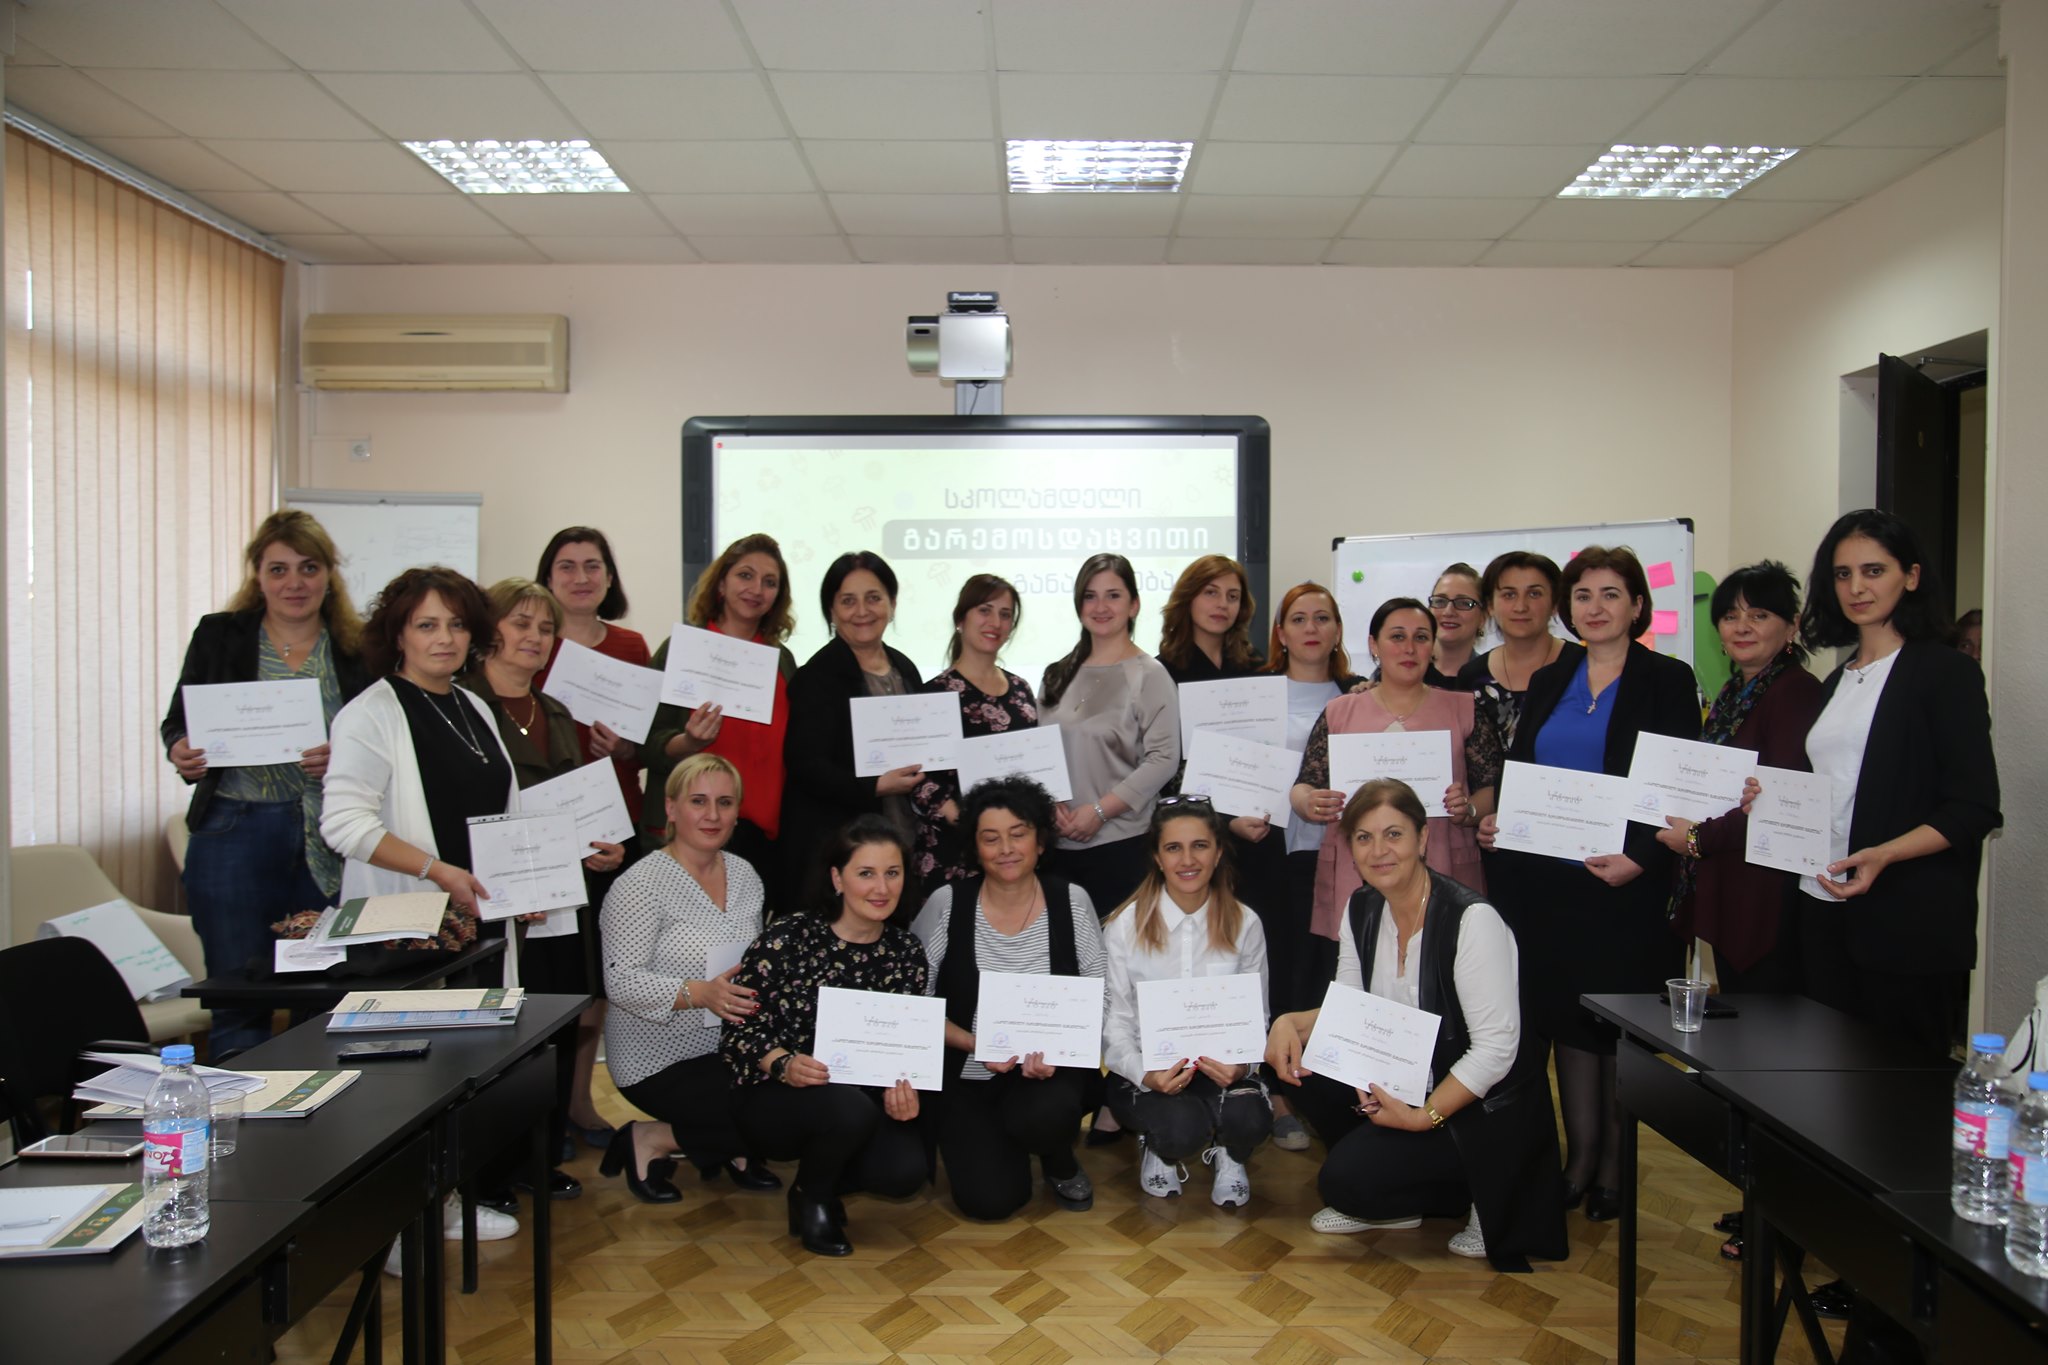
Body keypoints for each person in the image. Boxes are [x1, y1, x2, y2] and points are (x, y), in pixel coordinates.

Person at [1478, 546, 1700, 1223]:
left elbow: (1678, 785)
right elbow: (1523, 769)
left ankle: (1615, 1168)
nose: (1595, 607)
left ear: (1637, 606)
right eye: (1582, 595)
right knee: (1570, 1019)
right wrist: (1504, 821)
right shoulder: (1554, 676)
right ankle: (1580, 1160)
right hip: (1552, 883)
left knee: (1619, 1025)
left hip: (1627, 883)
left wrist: (1643, 857)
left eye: (1610, 594)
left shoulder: (1667, 678)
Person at [1266, 780, 1567, 1271]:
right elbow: (1350, 1009)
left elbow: (1496, 1050)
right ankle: (1401, 1197)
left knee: (1345, 1181)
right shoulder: (1361, 907)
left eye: (1394, 834)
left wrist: (1423, 1118)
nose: (1379, 851)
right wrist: (1289, 1023)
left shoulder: (1472, 920)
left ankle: (1482, 1192)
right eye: (1364, 837)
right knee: (1306, 1070)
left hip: (1480, 1106)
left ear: (1423, 838)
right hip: (1409, 1080)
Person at [321, 565, 522, 1244]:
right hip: (408, 925)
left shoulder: (473, 707)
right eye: (426, 624)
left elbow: (505, 816)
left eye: (458, 624)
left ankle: (447, 1201)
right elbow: (343, 824)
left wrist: (529, 882)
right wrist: (438, 872)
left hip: (476, 923)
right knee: (405, 1081)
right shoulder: (371, 713)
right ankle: (398, 1228)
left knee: (462, 1067)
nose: (445, 638)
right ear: (398, 634)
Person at [1786, 510, 2001, 1053]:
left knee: (1897, 1094)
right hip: (1824, 906)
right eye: (1843, 574)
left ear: (1912, 576)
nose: (1856, 588)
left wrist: (1883, 855)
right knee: (1824, 1084)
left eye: (1873, 571)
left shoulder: (1945, 672)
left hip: (1906, 919)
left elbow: (1974, 806)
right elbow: (1835, 786)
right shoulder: (1837, 679)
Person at [161, 510, 372, 1058]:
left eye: (308, 568)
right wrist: (181, 748)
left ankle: (316, 1106)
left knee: (325, 995)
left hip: (327, 836)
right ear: (257, 575)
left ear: (329, 575)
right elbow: (178, 720)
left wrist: (344, 757)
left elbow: (379, 738)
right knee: (237, 997)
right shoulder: (220, 635)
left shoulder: (358, 647)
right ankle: (239, 1111)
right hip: (232, 831)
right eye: (278, 569)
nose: (294, 583)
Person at [458, 578, 627, 1176]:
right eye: (521, 623)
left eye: (546, 627)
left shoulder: (554, 710)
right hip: (496, 897)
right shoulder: (463, 707)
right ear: (491, 631)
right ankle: (502, 1158)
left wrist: (601, 848)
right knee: (506, 1023)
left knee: (559, 1013)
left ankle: (546, 1142)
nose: (535, 636)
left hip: (559, 894)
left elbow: (576, 804)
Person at [721, 816, 930, 1257]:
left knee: (904, 1172)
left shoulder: (906, 952)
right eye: (866, 873)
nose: (881, 888)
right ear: (837, 879)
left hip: (859, 1097)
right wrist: (783, 1063)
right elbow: (737, 1030)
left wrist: (903, 1087)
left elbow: (903, 1045)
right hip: (776, 1092)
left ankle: (818, 1180)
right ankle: (813, 1199)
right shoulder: (788, 938)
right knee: (846, 1109)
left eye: (892, 873)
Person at [911, 776, 1106, 1220]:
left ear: (1040, 840)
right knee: (990, 1202)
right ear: (974, 847)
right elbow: (915, 1002)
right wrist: (973, 1043)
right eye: (990, 838)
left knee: (1047, 1115)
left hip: (1048, 1075)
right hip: (968, 1071)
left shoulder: (1071, 901)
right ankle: (1001, 1145)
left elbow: (1102, 993)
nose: (1006, 849)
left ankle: (1058, 1158)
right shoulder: (946, 904)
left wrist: (1062, 1050)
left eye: (1018, 834)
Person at [599, 755, 777, 1203]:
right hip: (657, 1057)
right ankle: (650, 1138)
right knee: (772, 1119)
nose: (713, 815)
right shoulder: (638, 885)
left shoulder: (745, 875)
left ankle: (732, 1145)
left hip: (730, 1044)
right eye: (698, 801)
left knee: (795, 1101)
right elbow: (620, 982)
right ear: (671, 808)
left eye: (725, 803)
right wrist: (699, 994)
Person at [1291, 598, 1497, 966]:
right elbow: (1304, 784)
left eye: (1421, 637)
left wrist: (1468, 808)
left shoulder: (1464, 709)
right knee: (1360, 972)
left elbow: (1490, 790)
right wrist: (1309, 802)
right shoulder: (1340, 711)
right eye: (1397, 636)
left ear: (1433, 646)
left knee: (1439, 972)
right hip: (1357, 869)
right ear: (1374, 644)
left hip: (1441, 864)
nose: (1409, 648)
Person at [1656, 562, 1822, 994]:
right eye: (1730, 616)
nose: (1742, 627)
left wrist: (1696, 838)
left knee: (1767, 1019)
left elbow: (1779, 805)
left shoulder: (1795, 692)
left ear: (1792, 626)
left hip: (1766, 893)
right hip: (1732, 883)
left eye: (1759, 615)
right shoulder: (1734, 693)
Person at [1102, 798, 1272, 1207]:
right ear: (1157, 858)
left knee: (1250, 1118)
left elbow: (1259, 1019)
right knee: (1180, 1130)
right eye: (1173, 848)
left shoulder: (1245, 923)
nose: (1188, 860)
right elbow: (1115, 1023)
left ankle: (1231, 1153)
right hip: (1152, 1069)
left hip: (1221, 1069)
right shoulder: (1124, 927)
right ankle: (1159, 1147)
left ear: (1218, 852)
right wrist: (1146, 1075)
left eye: (1200, 845)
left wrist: (1243, 1066)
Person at [644, 534, 797, 884]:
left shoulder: (782, 661)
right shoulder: (681, 649)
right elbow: (645, 742)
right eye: (745, 575)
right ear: (722, 583)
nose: (756, 589)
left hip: (765, 840)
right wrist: (689, 742)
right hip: (692, 837)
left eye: (769, 582)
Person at [1039, 553, 1181, 917]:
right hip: (1056, 848)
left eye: (1113, 595)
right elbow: (1042, 754)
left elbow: (1164, 759)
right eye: (1090, 596)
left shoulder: (1150, 675)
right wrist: (1050, 803)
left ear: (1134, 605)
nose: (1100, 607)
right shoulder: (1056, 674)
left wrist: (1100, 812)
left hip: (1123, 847)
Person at [781, 552, 925, 906]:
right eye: (848, 601)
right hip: (840, 854)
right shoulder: (816, 677)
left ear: (892, 603)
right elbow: (805, 766)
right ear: (831, 611)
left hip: (901, 843)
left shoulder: (905, 668)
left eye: (873, 598)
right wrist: (875, 786)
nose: (862, 611)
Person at [911, 574, 1039, 887]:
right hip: (954, 851)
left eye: (1005, 614)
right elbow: (920, 780)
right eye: (984, 610)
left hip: (1014, 854)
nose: (995, 622)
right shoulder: (933, 694)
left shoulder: (1021, 689)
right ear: (961, 619)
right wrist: (974, 826)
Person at [533, 527, 650, 838]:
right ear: (548, 579)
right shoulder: (531, 648)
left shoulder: (633, 646)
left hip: (621, 816)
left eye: (592, 566)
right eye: (567, 567)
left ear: (609, 578)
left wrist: (626, 749)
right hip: (546, 820)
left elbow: (652, 741)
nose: (581, 578)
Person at [1456, 551, 1566, 751]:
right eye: (1509, 595)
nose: (1521, 606)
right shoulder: (1471, 677)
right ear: (1490, 605)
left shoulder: (1580, 666)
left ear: (1554, 604)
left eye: (1534, 594)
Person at [1155, 553, 1262, 684]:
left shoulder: (1255, 664)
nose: (1223, 604)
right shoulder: (1162, 672)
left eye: (1233, 596)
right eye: (1211, 592)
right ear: (1188, 598)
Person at [1427, 563, 1487, 681]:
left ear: (1482, 618)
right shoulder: (1402, 672)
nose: (1448, 612)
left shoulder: (1493, 680)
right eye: (1440, 601)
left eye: (1463, 603)